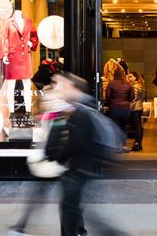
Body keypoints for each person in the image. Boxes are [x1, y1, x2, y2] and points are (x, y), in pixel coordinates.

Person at [48, 72, 128, 236]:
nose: (58, 89)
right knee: (76, 211)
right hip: (83, 169)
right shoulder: (80, 107)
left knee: (75, 213)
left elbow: (76, 143)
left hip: (80, 170)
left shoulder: (80, 110)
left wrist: (58, 157)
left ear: (72, 87)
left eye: (61, 85)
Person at [8, 83, 70, 236]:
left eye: (48, 101)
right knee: (41, 197)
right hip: (52, 165)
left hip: (55, 164)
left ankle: (20, 227)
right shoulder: (52, 116)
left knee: (67, 201)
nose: (44, 104)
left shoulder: (59, 117)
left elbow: (56, 143)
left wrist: (49, 158)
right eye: (45, 101)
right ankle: (20, 227)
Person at [104, 69, 134, 140]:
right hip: (125, 109)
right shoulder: (128, 84)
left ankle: (116, 144)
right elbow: (132, 97)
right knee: (123, 127)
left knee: (115, 127)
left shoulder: (111, 83)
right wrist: (127, 101)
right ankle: (122, 144)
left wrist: (109, 103)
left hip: (114, 108)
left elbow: (107, 96)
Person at [127, 71, 146, 151]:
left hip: (135, 109)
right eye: (128, 77)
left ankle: (137, 144)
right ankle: (139, 143)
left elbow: (134, 98)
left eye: (131, 77)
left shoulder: (135, 86)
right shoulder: (140, 85)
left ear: (135, 77)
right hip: (139, 108)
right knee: (139, 127)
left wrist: (129, 108)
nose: (129, 78)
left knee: (137, 127)